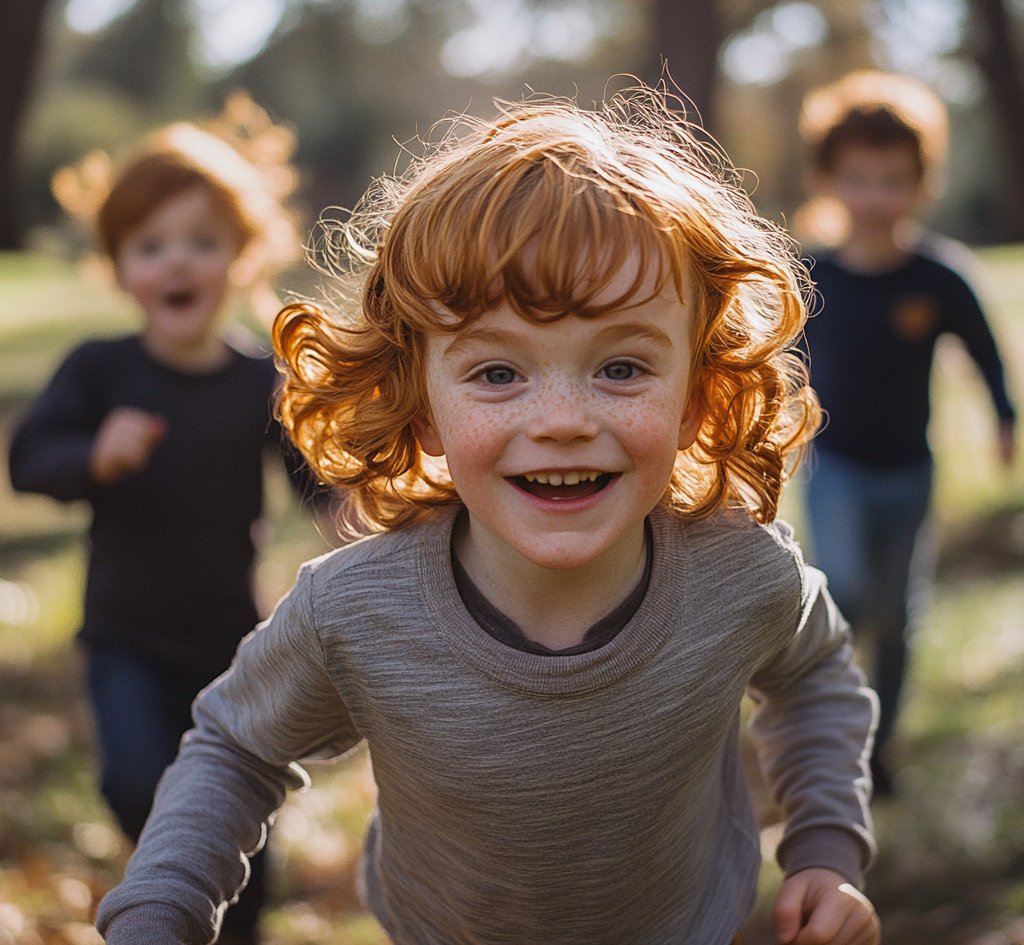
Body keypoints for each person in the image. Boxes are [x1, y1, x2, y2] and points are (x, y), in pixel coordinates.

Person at [95, 90, 880, 945]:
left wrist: (826, 848)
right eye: (498, 375)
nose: (562, 419)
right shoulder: (355, 612)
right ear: (420, 404)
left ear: (698, 395)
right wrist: (159, 909)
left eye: (621, 366)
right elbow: (236, 751)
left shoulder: (743, 574)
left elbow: (816, 679)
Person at [8, 94, 316, 945]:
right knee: (139, 782)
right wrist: (94, 458)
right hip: (126, 637)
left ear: (242, 255)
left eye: (202, 242)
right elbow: (29, 460)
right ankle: (173, 893)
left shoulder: (260, 383)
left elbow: (316, 485)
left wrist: (361, 516)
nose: (177, 263)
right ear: (117, 264)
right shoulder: (99, 371)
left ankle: (241, 918)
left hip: (230, 640)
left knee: (242, 799)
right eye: (151, 246)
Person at [797, 71, 1017, 795]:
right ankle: (820, 721)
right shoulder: (810, 275)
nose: (873, 197)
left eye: (892, 179)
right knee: (849, 591)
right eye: (856, 179)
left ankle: (878, 751)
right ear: (828, 180)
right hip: (835, 464)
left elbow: (983, 352)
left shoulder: (938, 277)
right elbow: (770, 364)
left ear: (921, 184)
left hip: (909, 470)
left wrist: (1004, 418)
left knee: (896, 616)